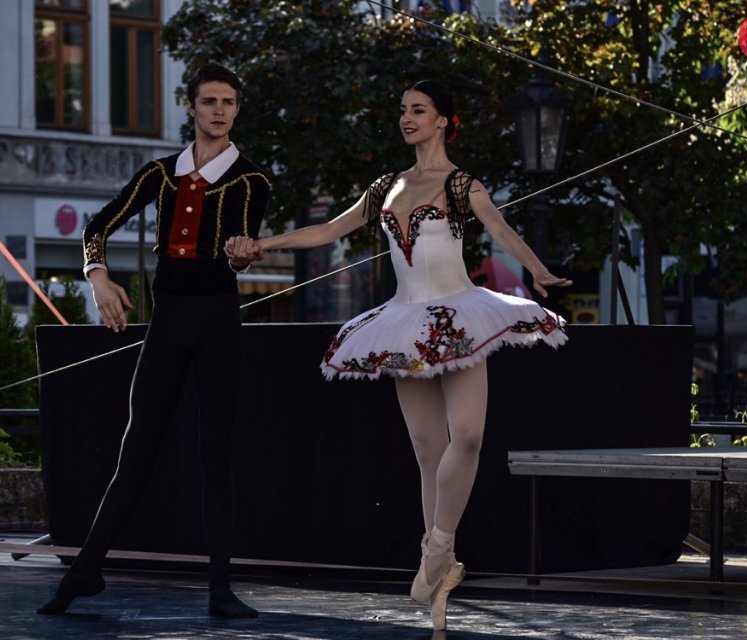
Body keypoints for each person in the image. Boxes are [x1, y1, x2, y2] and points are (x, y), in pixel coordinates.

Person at [225, 79, 570, 631]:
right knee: (428, 449)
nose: (407, 118)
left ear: (443, 121)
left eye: (419, 110)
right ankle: (439, 572)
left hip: (458, 313)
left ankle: (438, 548)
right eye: (403, 110)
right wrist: (265, 244)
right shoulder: (385, 185)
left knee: (469, 436)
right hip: (405, 320)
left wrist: (536, 269)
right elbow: (329, 230)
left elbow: (500, 229)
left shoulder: (461, 184)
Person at [37, 63, 270, 619]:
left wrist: (241, 255)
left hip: (218, 323)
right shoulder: (159, 175)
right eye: (209, 101)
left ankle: (220, 589)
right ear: (190, 107)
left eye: (229, 102)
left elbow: (241, 247)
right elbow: (96, 228)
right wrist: (98, 278)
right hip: (168, 324)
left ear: (238, 110)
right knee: (135, 450)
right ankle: (84, 572)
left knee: (215, 455)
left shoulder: (252, 181)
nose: (219, 110)